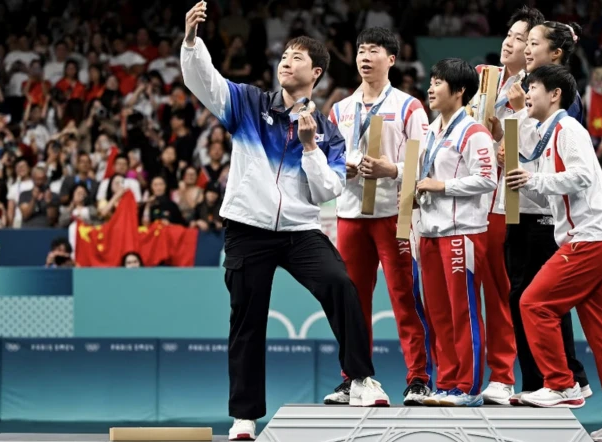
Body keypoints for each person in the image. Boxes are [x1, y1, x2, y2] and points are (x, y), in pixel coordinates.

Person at [181, 3, 388, 440]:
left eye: (296, 58)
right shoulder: (248, 104)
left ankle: (361, 379)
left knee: (340, 284)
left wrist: (311, 147)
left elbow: (326, 191)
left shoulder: (328, 130)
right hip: (247, 228)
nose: (285, 63)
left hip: (299, 232)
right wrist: (191, 42)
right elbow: (206, 83)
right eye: (283, 57)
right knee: (247, 321)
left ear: (315, 74)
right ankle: (244, 417)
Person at [505, 64, 602, 442]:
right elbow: (545, 193)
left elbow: (584, 174)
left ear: (554, 94)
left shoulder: (567, 128)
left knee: (533, 303)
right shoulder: (543, 136)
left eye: (532, 87)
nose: (527, 93)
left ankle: (561, 384)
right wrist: (519, 180)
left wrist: (535, 178)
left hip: (590, 240)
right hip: (600, 240)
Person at [323, 27, 432, 407]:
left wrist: (392, 170)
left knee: (404, 296)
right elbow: (329, 157)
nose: (365, 57)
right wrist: (345, 169)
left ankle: (418, 377)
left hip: (395, 213)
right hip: (351, 213)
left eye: (374, 51)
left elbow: (423, 160)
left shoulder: (408, 106)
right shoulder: (339, 109)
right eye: (361, 51)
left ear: (392, 59)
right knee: (352, 300)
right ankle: (354, 377)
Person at [499, 19, 591, 405]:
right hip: (521, 208)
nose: (525, 47)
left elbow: (552, 153)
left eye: (532, 42)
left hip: (545, 214)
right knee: (526, 297)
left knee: (537, 300)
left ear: (555, 53)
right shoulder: (526, 88)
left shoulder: (560, 95)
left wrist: (520, 116)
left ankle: (561, 379)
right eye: (524, 40)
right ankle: (544, 380)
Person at [467, 6, 545, 405]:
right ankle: (464, 377)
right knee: (468, 293)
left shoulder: (537, 88)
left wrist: (513, 120)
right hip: (470, 201)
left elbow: (533, 149)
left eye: (520, 38)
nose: (509, 42)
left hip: (507, 204)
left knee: (502, 293)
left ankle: (503, 375)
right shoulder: (488, 80)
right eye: (509, 35)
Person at [412, 58, 497, 407]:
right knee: (437, 312)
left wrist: (441, 185)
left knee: (463, 311)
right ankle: (446, 383)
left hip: (462, 233)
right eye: (431, 80)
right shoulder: (432, 130)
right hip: (430, 233)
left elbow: (488, 179)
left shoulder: (474, 132)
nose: (431, 87)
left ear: (460, 91)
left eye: (439, 82)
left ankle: (468, 387)